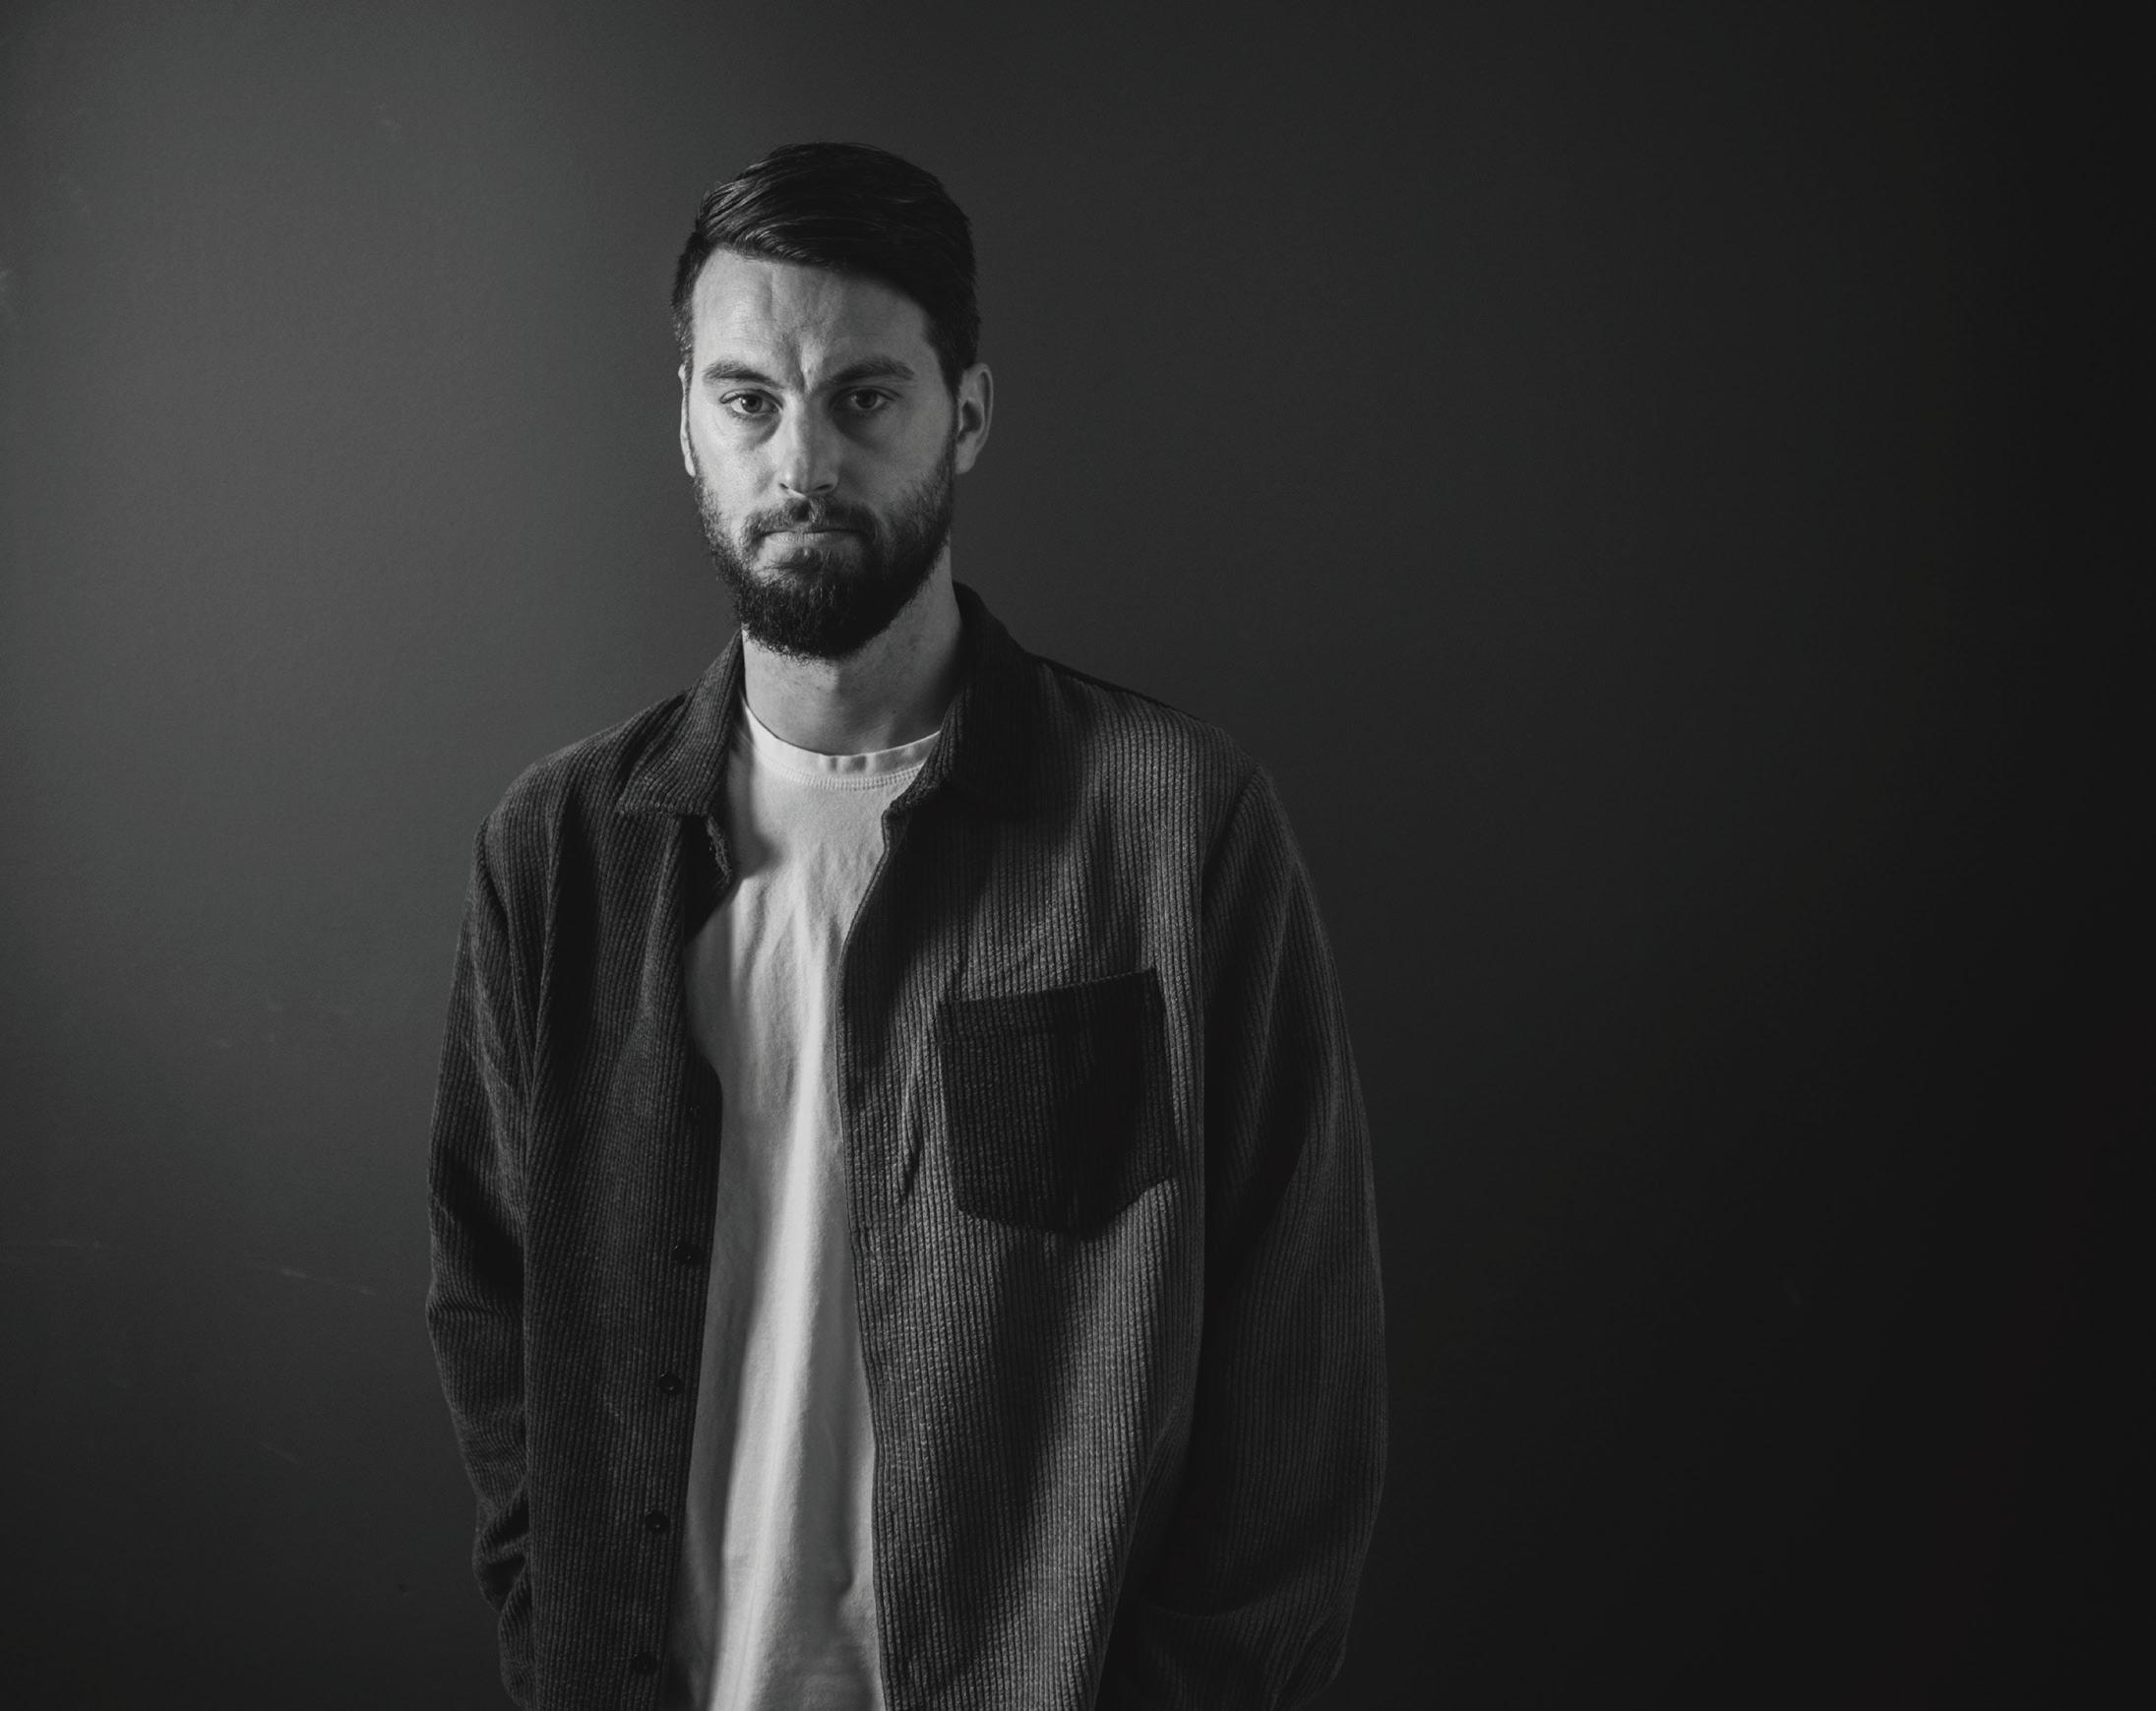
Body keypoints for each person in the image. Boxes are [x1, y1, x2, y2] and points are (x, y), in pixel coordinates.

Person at [425, 141, 1386, 1711]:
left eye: (863, 396)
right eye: (748, 399)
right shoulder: (561, 854)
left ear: (969, 416)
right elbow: (491, 1309)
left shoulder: (1174, 827)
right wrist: (560, 1639)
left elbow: (1299, 1380)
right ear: (686, 424)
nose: (800, 459)